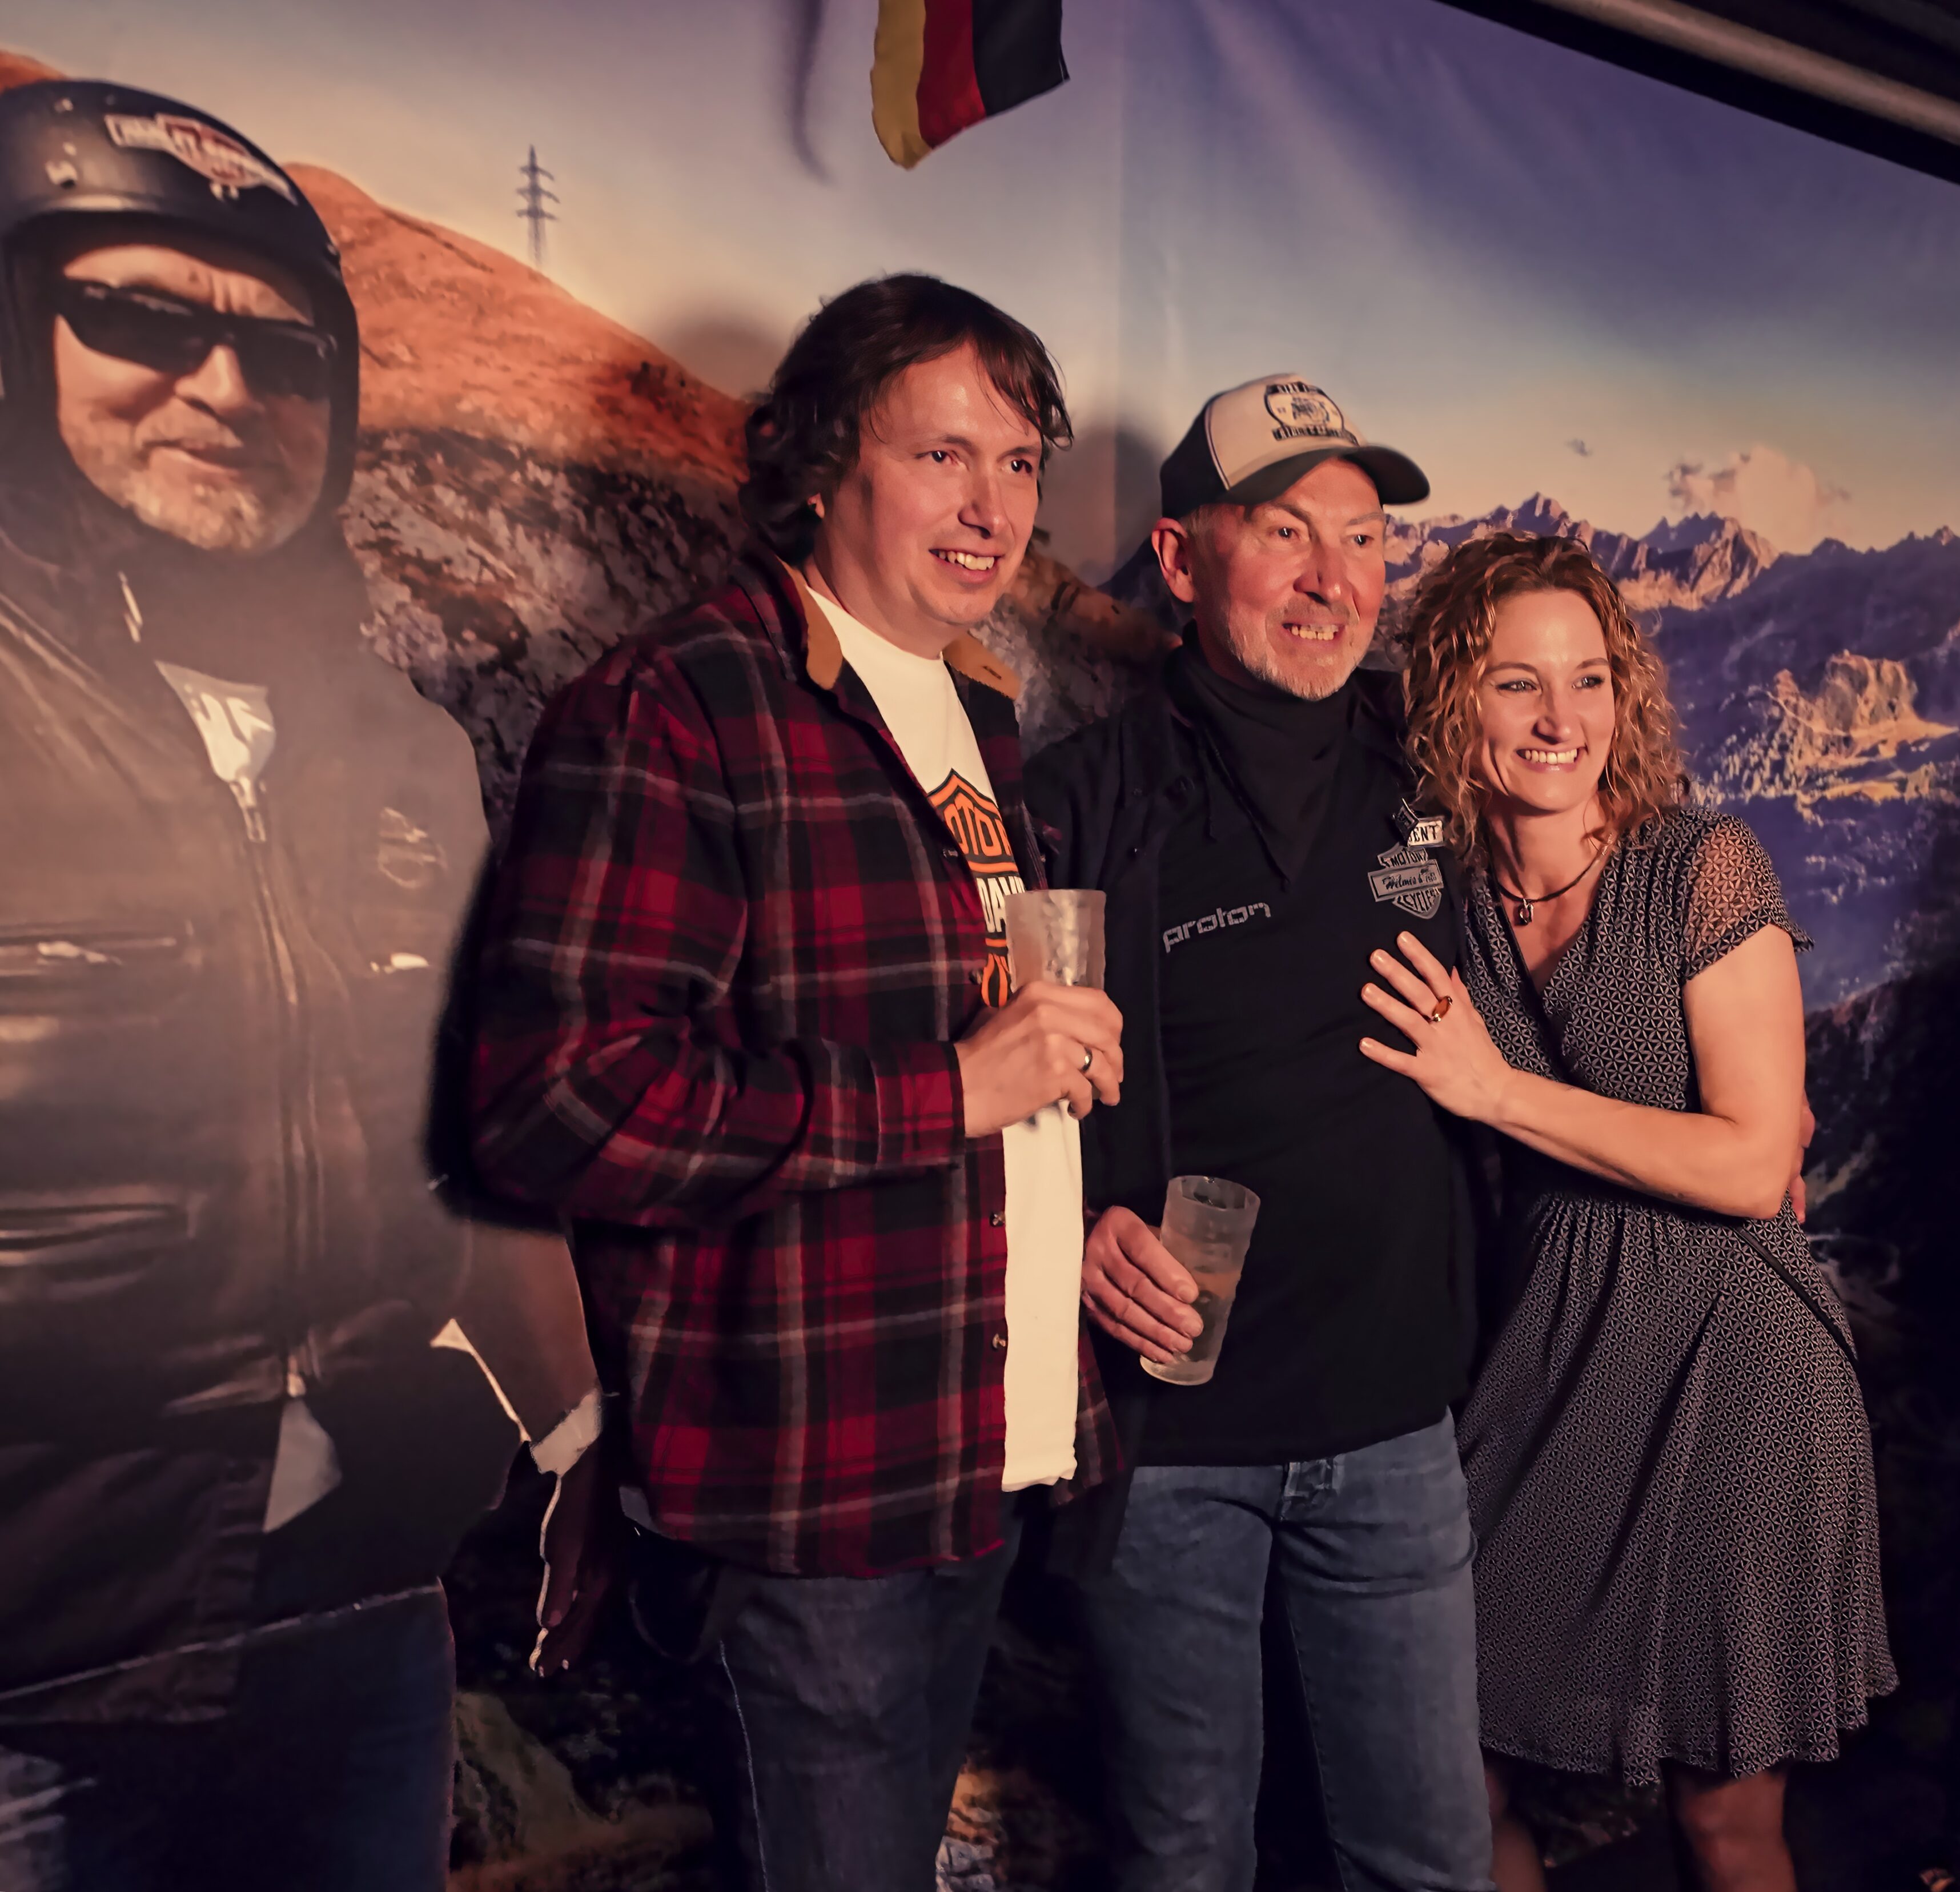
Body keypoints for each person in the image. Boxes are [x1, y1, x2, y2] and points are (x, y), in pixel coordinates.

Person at [0, 82, 593, 1892]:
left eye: (282, 351)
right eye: (138, 318)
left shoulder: (403, 753)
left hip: (358, 1617)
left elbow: (479, 1158)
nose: (223, 387)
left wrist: (583, 1442)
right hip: (35, 1665)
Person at [467, 276, 1123, 1892]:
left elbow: (971, 1040)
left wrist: (1053, 1114)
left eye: (1020, 464)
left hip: (974, 1449)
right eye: (942, 456)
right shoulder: (676, 705)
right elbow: (559, 1102)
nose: (993, 509)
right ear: (819, 465)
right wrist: (947, 1092)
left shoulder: (978, 709)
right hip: (811, 1488)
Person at [1356, 531, 1894, 1892]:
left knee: (1723, 1816)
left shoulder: (1701, 863)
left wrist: (1493, 1090)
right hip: (1553, 1342)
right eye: (1516, 682)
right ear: (1451, 700)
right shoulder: (1448, 889)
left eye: (1588, 679)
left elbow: (1753, 1162)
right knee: (1448, 1768)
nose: (1561, 719)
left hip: (1735, 1358)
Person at [1026, 372, 1492, 1892]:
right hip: (1170, 1445)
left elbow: (1595, 870)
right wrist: (1077, 1227)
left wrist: (1733, 1041)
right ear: (1179, 559)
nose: (1331, 578)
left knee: (1428, 1859)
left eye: (1361, 538)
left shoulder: (1435, 769)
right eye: (1285, 532)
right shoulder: (1079, 804)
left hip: (1397, 1423)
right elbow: (1004, 1089)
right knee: (1183, 1859)